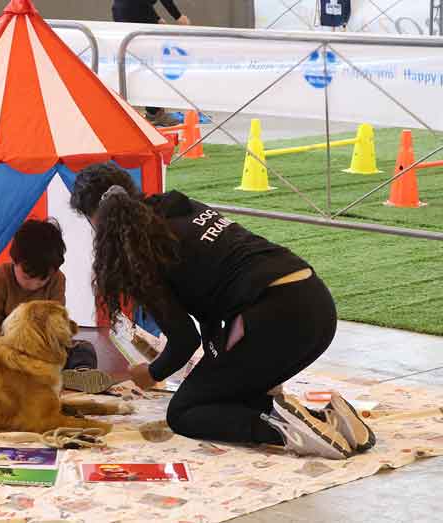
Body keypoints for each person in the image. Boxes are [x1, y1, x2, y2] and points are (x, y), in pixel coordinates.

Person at [69, 163, 376, 460]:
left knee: (185, 412)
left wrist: (151, 373)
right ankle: (329, 418)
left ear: (94, 220)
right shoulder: (181, 206)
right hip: (316, 303)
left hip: (275, 316)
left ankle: (286, 429)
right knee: (222, 393)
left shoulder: (139, 248)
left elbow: (184, 340)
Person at [0, 218, 116, 394]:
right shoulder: (1, 278)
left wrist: (48, 352)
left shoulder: (58, 280)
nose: (34, 284)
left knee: (83, 349)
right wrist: (5, 353)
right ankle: (19, 377)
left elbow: (56, 322)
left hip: (42, 351)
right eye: (27, 277)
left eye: (43, 280)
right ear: (14, 260)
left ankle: (78, 375)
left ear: (53, 271)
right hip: (7, 349)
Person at [111, 1, 191, 127]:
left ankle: (126, 110)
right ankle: (154, 113)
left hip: (120, 9)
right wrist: (179, 17)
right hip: (137, 9)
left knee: (135, 60)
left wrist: (157, 18)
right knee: (153, 63)